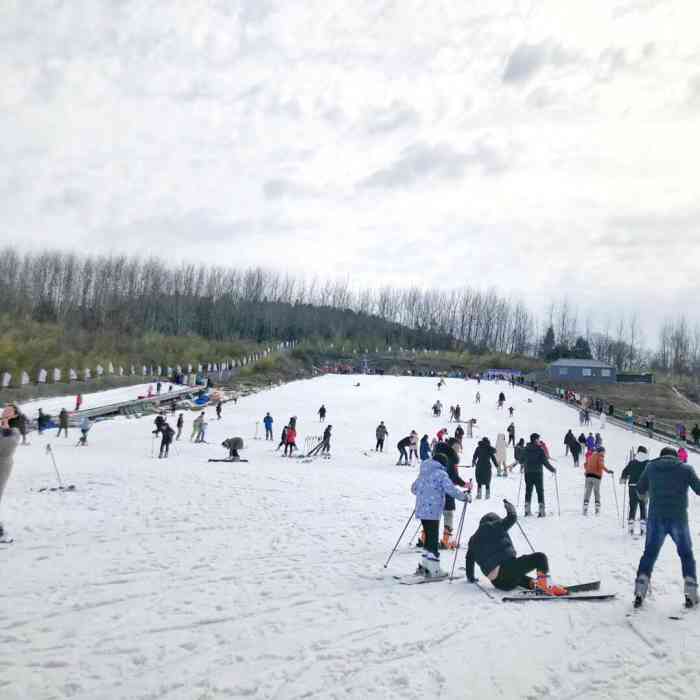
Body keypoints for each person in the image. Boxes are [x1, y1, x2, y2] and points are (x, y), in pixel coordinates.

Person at [633, 447, 700, 609]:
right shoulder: (685, 468)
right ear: (675, 456)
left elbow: (640, 490)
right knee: (686, 554)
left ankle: (640, 590)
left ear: (661, 456)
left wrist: (645, 496)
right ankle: (691, 592)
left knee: (649, 554)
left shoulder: (651, 467)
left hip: (656, 519)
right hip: (679, 519)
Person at [465, 500, 567, 595]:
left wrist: (471, 578)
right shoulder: (490, 527)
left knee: (517, 575)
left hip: (498, 583)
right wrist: (510, 508)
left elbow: (469, 559)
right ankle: (546, 586)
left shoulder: (472, 541)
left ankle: (533, 583)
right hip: (505, 571)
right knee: (540, 558)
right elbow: (512, 518)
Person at [411, 452, 470, 577]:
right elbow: (451, 489)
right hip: (433, 511)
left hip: (421, 510)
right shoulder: (441, 474)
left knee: (428, 537)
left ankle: (425, 566)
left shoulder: (424, 472)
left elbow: (414, 489)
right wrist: (465, 497)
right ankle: (434, 569)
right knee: (432, 538)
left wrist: (425, 493)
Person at [434, 438, 468, 549]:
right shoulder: (451, 459)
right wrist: (464, 484)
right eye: (456, 448)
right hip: (447, 491)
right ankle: (446, 540)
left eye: (459, 448)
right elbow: (453, 477)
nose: (457, 450)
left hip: (433, 491)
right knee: (448, 514)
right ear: (451, 447)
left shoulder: (437, 455)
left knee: (433, 514)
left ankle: (425, 538)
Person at [520, 433, 556, 517]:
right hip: (537, 473)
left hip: (528, 473)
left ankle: (527, 511)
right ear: (535, 440)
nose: (539, 441)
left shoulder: (526, 449)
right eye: (538, 439)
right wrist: (552, 469)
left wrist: (525, 461)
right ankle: (541, 511)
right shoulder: (540, 450)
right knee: (540, 491)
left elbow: (521, 461)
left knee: (528, 491)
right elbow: (545, 462)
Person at [0, 405, 20, 539]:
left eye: (9, 410)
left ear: (15, 415)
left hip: (2, 465)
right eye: (4, 410)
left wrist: (5, 428)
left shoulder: (14, 431)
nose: (5, 411)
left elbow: (7, 449)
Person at [620, 446, 649, 535]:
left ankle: (631, 526)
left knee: (632, 506)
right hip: (643, 487)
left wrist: (623, 478)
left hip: (632, 486)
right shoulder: (648, 463)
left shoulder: (632, 462)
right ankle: (643, 527)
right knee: (642, 506)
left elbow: (625, 471)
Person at [583, 446, 614, 515]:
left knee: (588, 491)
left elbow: (585, 464)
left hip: (588, 476)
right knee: (596, 492)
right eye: (603, 451)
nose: (604, 453)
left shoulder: (590, 456)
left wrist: (588, 470)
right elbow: (601, 465)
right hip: (596, 476)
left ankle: (585, 506)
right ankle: (597, 508)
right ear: (601, 451)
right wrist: (608, 471)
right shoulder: (600, 456)